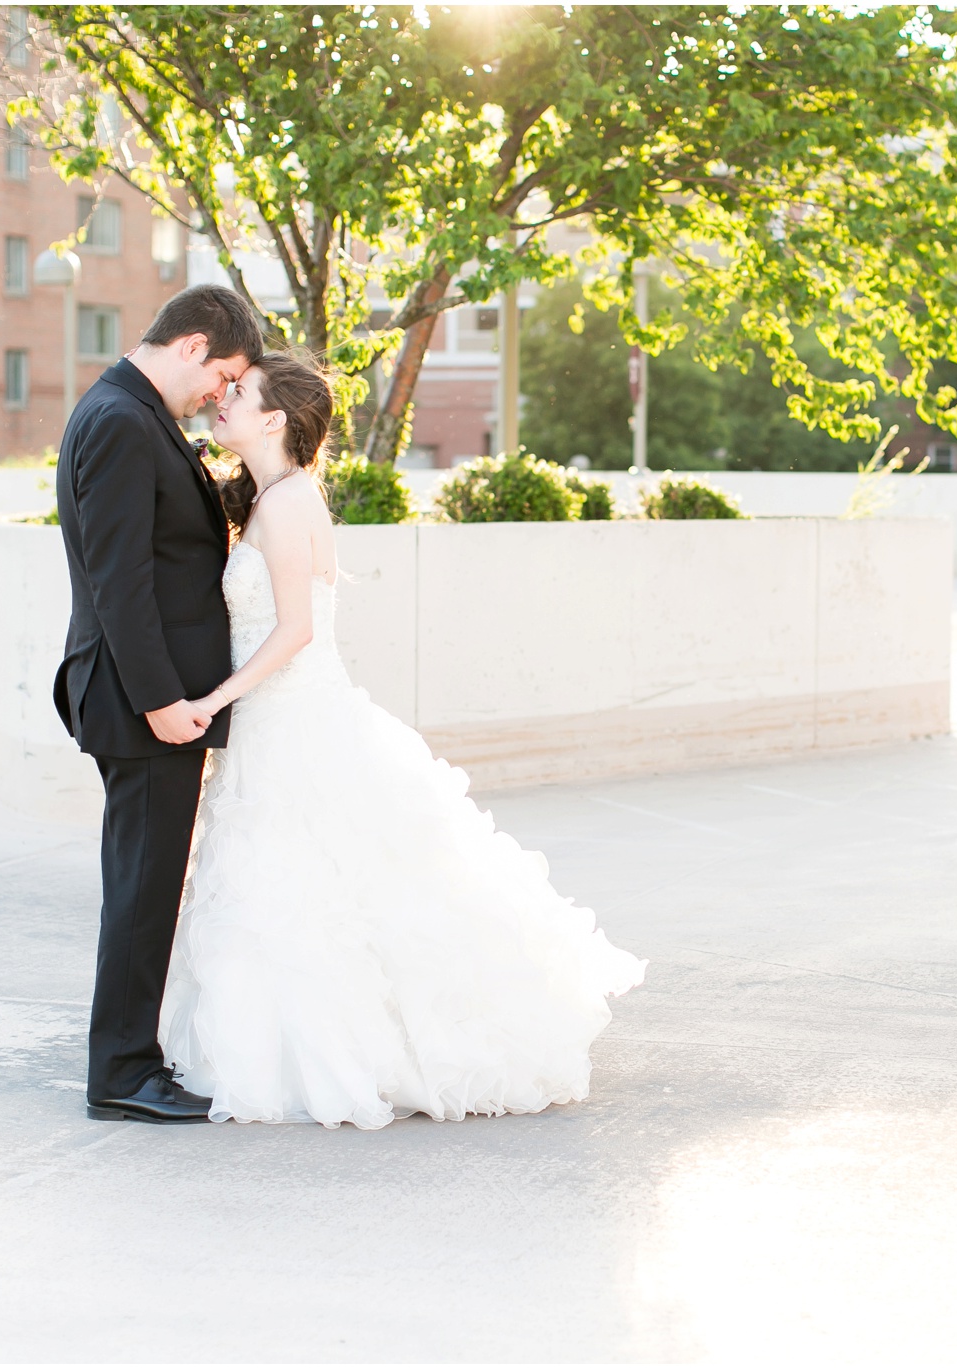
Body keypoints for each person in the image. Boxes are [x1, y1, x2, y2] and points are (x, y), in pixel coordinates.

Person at [156, 351, 645, 1128]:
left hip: (296, 718)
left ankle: (351, 1049)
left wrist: (213, 699)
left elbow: (295, 630)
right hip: (280, 723)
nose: (224, 401)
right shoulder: (272, 497)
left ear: (275, 417)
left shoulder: (287, 506)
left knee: (313, 885)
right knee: (291, 885)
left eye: (240, 394)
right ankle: (274, 1041)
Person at [52, 284, 264, 1123]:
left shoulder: (134, 416)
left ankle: (132, 1056)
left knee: (146, 882)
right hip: (144, 704)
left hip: (154, 699)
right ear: (193, 347)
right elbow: (119, 584)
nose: (222, 393)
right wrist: (162, 701)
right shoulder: (118, 422)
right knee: (143, 887)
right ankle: (122, 1074)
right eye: (226, 376)